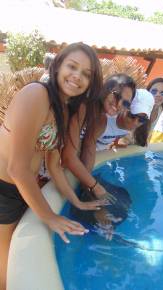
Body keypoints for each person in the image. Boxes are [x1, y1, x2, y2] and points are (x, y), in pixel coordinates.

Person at [0, 42, 107, 290]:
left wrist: (76, 201)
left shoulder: (64, 109)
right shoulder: (35, 94)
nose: (77, 76)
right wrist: (49, 217)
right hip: (4, 190)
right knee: (5, 271)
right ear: (58, 65)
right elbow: (17, 168)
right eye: (72, 66)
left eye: (86, 74)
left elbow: (54, 165)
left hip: (21, 189)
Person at [62, 73, 137, 199]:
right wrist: (95, 186)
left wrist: (88, 191)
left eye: (125, 103)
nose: (119, 104)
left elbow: (88, 153)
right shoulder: (84, 106)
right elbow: (68, 157)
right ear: (106, 89)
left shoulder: (102, 119)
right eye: (117, 95)